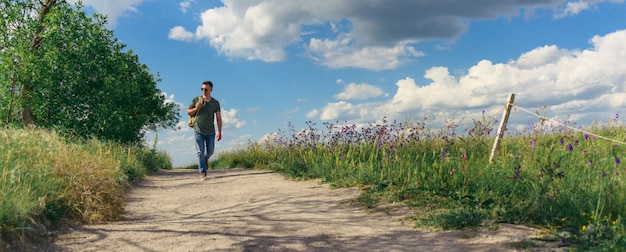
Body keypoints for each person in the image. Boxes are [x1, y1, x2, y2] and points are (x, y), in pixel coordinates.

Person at [187, 80, 222, 180]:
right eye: (202, 89)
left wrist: (220, 131)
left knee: (210, 151)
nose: (204, 91)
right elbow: (188, 112)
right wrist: (196, 108)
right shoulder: (196, 100)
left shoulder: (215, 103)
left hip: (210, 131)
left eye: (206, 89)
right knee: (200, 152)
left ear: (211, 89)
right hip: (198, 130)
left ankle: (205, 159)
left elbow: (218, 118)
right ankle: (202, 172)